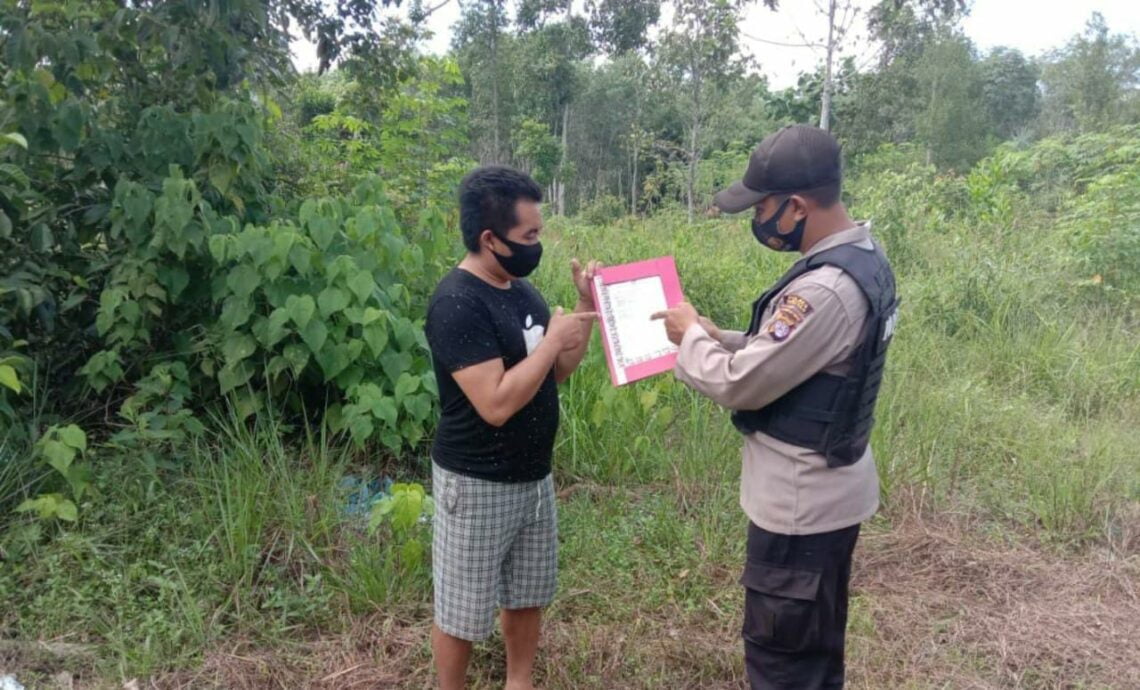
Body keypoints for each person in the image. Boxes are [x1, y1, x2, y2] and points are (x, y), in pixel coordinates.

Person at [653, 125, 899, 689]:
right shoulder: (862, 258)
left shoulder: (825, 289)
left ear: (797, 207)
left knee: (782, 666)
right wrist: (718, 336)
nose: (758, 220)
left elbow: (741, 384)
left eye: (762, 208)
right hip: (828, 496)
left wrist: (691, 338)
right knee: (813, 656)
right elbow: (795, 355)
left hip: (799, 508)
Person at [424, 165, 599, 690]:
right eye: (528, 236)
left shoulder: (520, 291)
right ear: (489, 239)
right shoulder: (457, 303)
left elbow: (556, 372)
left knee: (527, 594)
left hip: (532, 477)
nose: (536, 245)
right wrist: (551, 342)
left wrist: (585, 307)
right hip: (477, 481)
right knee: (461, 610)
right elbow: (496, 403)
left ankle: (518, 682)